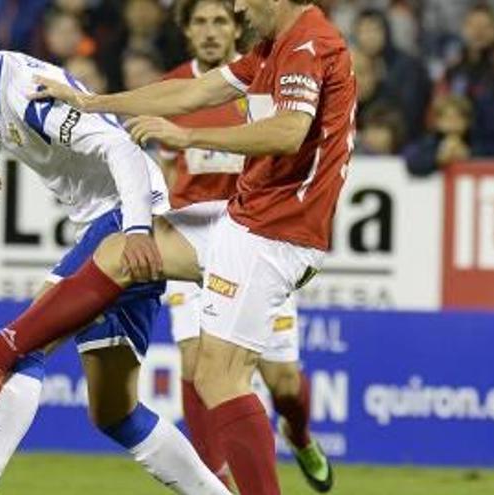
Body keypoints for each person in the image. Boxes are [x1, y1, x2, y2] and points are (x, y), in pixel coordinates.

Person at [0, 1, 355, 493]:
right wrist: (93, 102)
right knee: (116, 356)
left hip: (274, 233)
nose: (240, 8)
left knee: (216, 376)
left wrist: (182, 145)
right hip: (243, 219)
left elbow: (289, 133)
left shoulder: (310, 45)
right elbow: (196, 89)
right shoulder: (274, 47)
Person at [0, 4, 230, 495]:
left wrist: (136, 230)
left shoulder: (31, 97)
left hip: (120, 217)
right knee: (116, 413)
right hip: (112, 219)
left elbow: (124, 150)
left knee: (23, 347)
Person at [159, 0, 331, 491]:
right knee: (196, 362)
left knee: (282, 383)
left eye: (219, 21)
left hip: (258, 238)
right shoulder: (178, 87)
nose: (210, 31)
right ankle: (221, 478)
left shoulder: (266, 76)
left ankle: (298, 434)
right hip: (196, 237)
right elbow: (168, 166)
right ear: (187, 31)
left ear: (236, 26)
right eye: (200, 22)